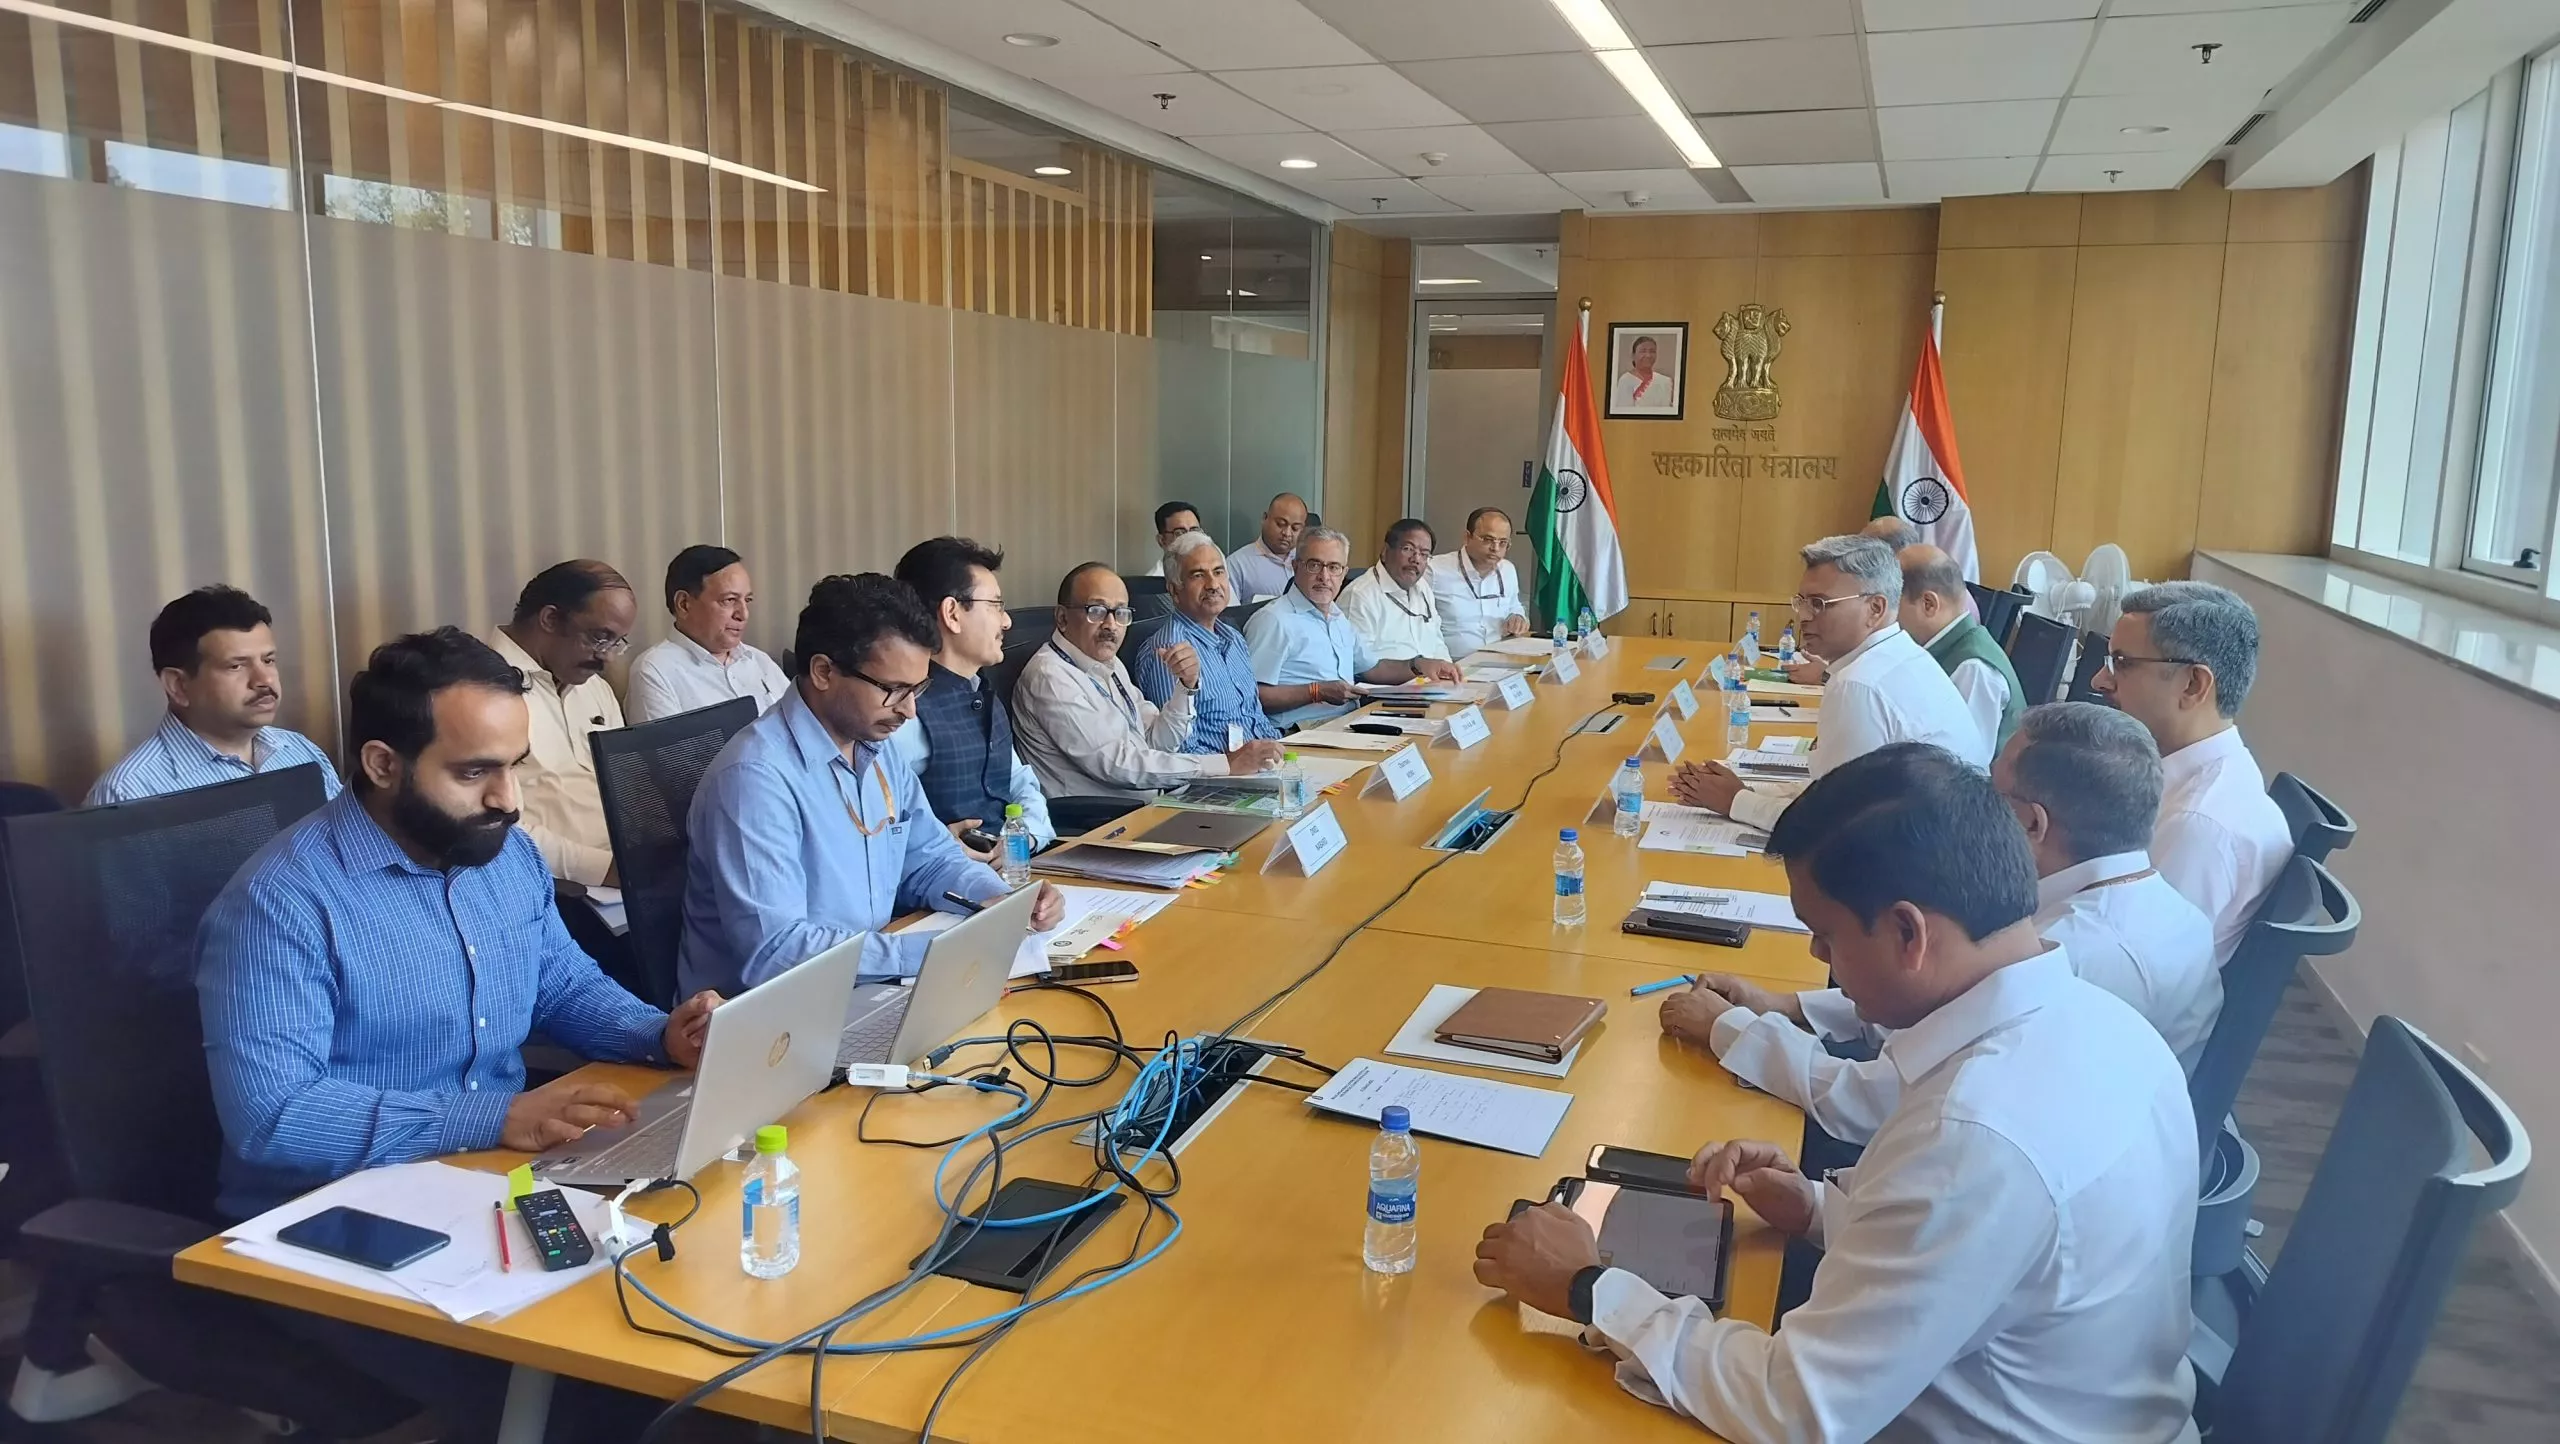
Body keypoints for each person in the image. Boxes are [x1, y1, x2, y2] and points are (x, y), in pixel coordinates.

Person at [1476, 744, 2200, 1442]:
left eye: (1824, 934)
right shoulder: (2105, 1024)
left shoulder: (1976, 1134)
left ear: (1908, 933)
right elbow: (1978, 1261)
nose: (1817, 957)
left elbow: (1797, 1410)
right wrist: (1818, 1209)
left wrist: (1588, 1288)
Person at [195, 629, 716, 1438]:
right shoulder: (283, 903)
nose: (509, 799)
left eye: (514, 766)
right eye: (475, 772)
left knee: (687, 1308)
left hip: (493, 1181)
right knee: (599, 1387)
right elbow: (274, 1117)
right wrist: (494, 1117)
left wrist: (659, 1035)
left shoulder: (501, 857)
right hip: (332, 1218)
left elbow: (560, 984)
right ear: (382, 764)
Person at [1666, 719, 2220, 1144]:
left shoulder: (2084, 951)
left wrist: (1732, 1032)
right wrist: (1789, 1006)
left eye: (1992, 796)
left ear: (2032, 822)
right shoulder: (2136, 902)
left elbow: (1882, 1103)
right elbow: (1928, 987)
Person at [679, 575, 1063, 995]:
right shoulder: (755, 779)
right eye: (894, 690)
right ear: (823, 672)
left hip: (865, 983)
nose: (910, 711)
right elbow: (775, 952)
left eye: (918, 689)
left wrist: (1005, 903)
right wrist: (932, 954)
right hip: (776, 1012)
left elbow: (930, 860)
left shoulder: (876, 748)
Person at [1667, 534, 1983, 831]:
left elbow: (1834, 825)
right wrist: (1748, 790)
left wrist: (1735, 801)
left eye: (1819, 604)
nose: (1804, 616)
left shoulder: (1860, 685)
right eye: (1801, 602)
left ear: (1875, 609)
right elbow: (1837, 790)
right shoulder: (1900, 656)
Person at [2093, 581, 2291, 963]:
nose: (2100, 680)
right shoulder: (2201, 778)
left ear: (2193, 685)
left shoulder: (2197, 825)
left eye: (2123, 663)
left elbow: (2135, 968)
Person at [1014, 563, 1286, 800]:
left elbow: (1158, 740)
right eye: (1096, 611)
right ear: (1062, 618)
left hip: (1150, 804)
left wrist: (1186, 687)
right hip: (1099, 822)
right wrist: (1224, 764)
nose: (1111, 625)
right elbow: (1116, 764)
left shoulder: (1108, 663)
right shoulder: (1050, 676)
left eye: (1121, 613)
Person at [87, 585, 342, 805]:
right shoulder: (128, 792)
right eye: (236, 666)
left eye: (268, 660)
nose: (264, 680)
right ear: (178, 685)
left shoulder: (300, 751)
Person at [885, 537, 1054, 860]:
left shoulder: (980, 689)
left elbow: (1020, 783)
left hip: (1011, 871)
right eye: (996, 605)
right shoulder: (902, 713)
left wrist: (1024, 838)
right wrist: (933, 845)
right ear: (952, 613)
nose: (1007, 621)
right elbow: (876, 825)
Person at [484, 560, 634, 887]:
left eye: (617, 643)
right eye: (600, 638)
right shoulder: (481, 690)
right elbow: (498, 826)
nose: (607, 658)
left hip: (628, 868)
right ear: (550, 619)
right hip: (555, 884)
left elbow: (625, 785)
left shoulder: (595, 688)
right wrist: (605, 869)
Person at [1244, 527, 1462, 730]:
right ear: (1295, 566)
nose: (1324, 577)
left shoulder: (1337, 617)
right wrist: (1316, 692)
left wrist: (1418, 664)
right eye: (1314, 565)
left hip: (1347, 722)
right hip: (1299, 732)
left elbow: (1373, 668)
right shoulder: (1274, 620)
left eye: (1334, 567)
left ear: (1344, 572)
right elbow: (1250, 695)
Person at [1132, 533, 1283, 752]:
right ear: (1174, 590)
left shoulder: (1234, 638)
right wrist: (1233, 765)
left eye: (1218, 572)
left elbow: (1256, 718)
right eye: (1198, 575)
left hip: (1266, 762)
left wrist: (1282, 752)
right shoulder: (1169, 651)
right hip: (1222, 771)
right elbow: (1179, 752)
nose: (1213, 584)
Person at [624, 544, 788, 723]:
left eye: (747, 600)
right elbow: (668, 743)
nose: (743, 614)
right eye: (729, 600)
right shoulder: (654, 671)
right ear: (684, 604)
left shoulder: (760, 661)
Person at [1899, 543, 2022, 752]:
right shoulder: (1948, 645)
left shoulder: (1973, 668)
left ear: (1928, 604)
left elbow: (1966, 758)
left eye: (1893, 603)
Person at [1337, 518, 1456, 668]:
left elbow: (1437, 643)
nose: (1416, 559)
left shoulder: (1423, 587)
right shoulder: (1360, 595)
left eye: (1424, 554)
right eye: (1408, 549)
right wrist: (1416, 668)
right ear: (1385, 552)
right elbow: (1357, 665)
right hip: (1389, 682)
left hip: (1430, 680)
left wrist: (1447, 670)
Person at [1429, 506, 1530, 657]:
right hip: (1453, 662)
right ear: (1467, 537)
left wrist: (1518, 617)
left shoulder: (1507, 570)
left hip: (1501, 658)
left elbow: (1514, 606)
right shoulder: (1434, 570)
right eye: (1488, 540)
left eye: (1503, 542)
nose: (1495, 548)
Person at [1224, 492, 1306, 602]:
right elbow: (1228, 611)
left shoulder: (1308, 561)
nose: (1287, 533)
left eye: (1295, 528)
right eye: (1280, 524)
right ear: (1265, 518)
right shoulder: (1237, 564)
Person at [1143, 500, 1204, 578]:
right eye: (1179, 533)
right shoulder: (1153, 582)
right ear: (1162, 541)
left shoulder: (1214, 570)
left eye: (1194, 530)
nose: (1190, 538)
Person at [1611, 333, 1671, 410]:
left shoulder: (1665, 381)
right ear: (1633, 355)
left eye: (1652, 351)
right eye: (1643, 351)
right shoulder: (1626, 380)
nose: (1648, 355)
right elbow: (1624, 412)